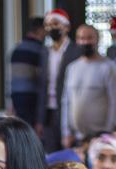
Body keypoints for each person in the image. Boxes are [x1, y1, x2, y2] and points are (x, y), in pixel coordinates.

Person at [60, 24, 116, 148]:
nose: (85, 42)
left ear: (97, 39)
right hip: (77, 138)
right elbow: (66, 101)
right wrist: (66, 132)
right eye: (81, 38)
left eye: (89, 38)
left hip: (102, 137)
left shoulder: (110, 67)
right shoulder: (72, 68)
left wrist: (110, 132)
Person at [7, 17, 50, 133]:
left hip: (17, 98)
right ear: (40, 30)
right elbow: (43, 81)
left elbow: (12, 80)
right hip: (33, 101)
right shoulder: (41, 51)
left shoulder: (16, 49)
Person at [42, 9, 74, 146]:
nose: (51, 28)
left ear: (66, 27)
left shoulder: (76, 50)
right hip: (48, 109)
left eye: (55, 24)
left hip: (69, 109)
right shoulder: (45, 52)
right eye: (47, 25)